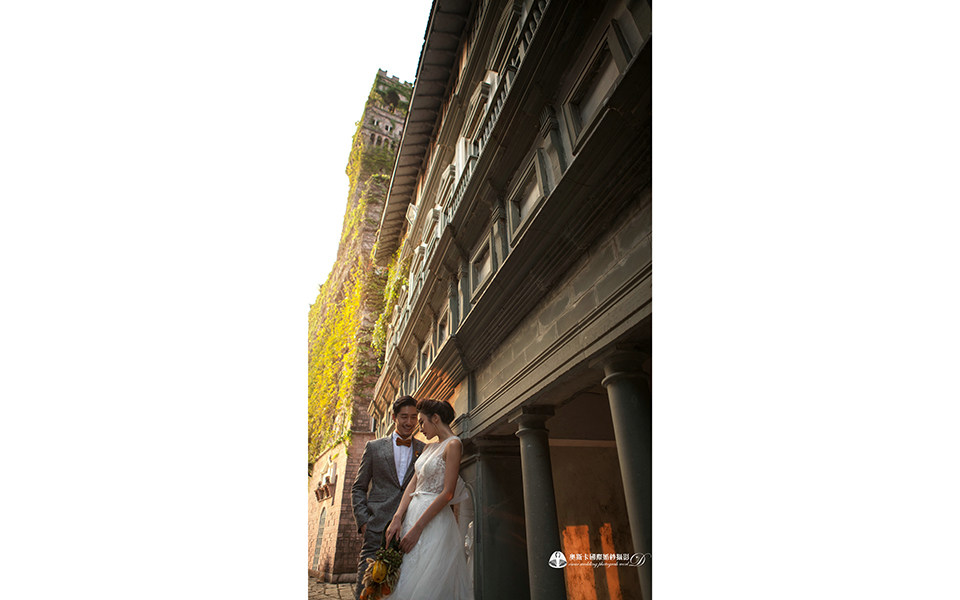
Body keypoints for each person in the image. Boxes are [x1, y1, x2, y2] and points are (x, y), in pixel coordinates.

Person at [382, 399, 473, 600]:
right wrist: (398, 517)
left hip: (433, 523)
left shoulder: (453, 445)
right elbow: (412, 485)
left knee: (427, 583)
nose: (420, 428)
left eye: (422, 422)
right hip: (412, 515)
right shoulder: (428, 448)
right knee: (406, 575)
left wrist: (417, 529)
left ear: (436, 418)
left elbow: (448, 493)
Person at [351, 396, 426, 600]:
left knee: (402, 589)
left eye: (413, 417)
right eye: (404, 417)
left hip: (408, 529)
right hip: (376, 528)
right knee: (365, 590)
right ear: (393, 417)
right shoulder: (373, 447)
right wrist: (364, 522)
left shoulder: (423, 449)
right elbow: (358, 487)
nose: (409, 422)